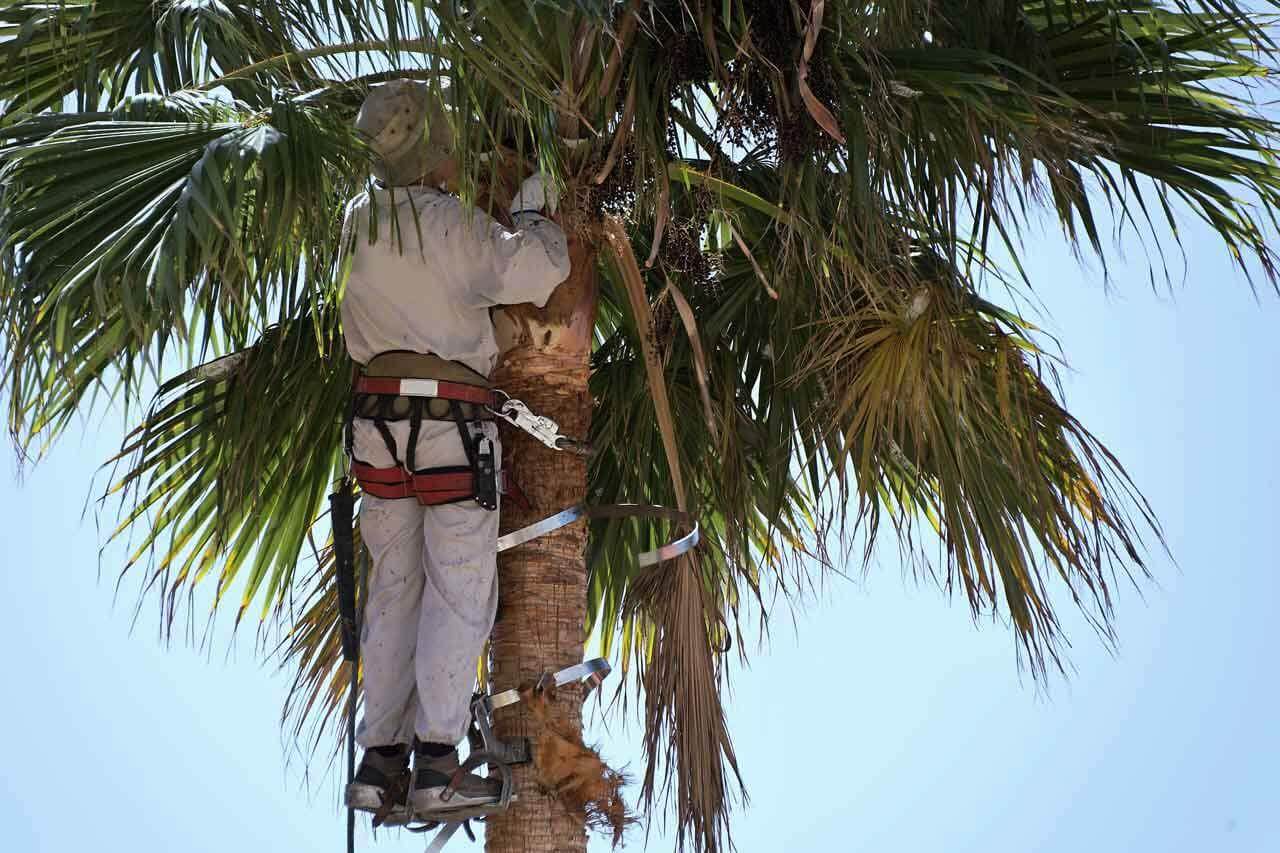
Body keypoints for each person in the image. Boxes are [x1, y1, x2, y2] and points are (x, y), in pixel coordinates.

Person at [338, 79, 571, 818]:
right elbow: (535, 272)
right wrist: (534, 215)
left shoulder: (357, 219)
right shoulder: (448, 225)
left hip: (377, 431)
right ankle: (437, 761)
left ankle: (379, 762)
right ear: (437, 147)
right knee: (458, 588)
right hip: (448, 433)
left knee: (396, 588)